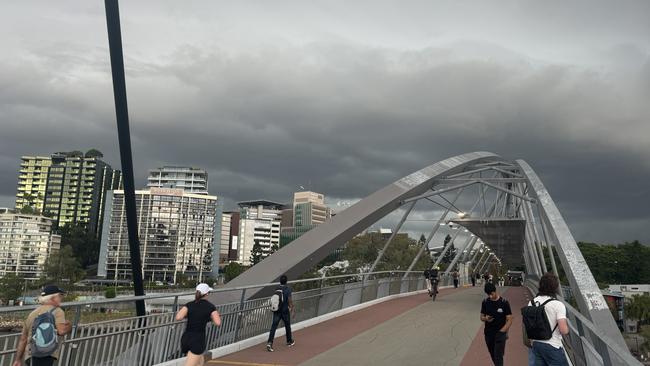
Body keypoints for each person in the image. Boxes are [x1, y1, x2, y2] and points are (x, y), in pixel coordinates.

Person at [13, 285, 72, 366]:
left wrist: (18, 359)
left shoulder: (32, 314)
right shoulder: (58, 311)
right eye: (60, 295)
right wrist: (69, 326)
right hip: (46, 355)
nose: (62, 298)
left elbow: (23, 339)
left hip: (31, 355)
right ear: (53, 298)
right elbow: (61, 331)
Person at [176, 283, 222, 366]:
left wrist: (190, 315)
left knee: (200, 361)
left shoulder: (189, 304)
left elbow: (178, 317)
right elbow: (218, 323)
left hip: (186, 338)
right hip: (198, 340)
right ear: (207, 294)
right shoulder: (210, 307)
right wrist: (208, 318)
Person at [529, 273, 570, 366]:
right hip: (553, 346)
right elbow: (563, 330)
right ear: (555, 287)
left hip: (536, 344)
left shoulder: (532, 302)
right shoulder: (557, 304)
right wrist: (568, 329)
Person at [480, 282, 513, 366]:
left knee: (498, 356)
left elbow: (509, 319)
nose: (490, 296)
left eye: (491, 294)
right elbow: (481, 317)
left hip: (500, 334)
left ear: (495, 291)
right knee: (493, 354)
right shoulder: (485, 302)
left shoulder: (504, 302)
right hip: (488, 334)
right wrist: (486, 318)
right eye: (488, 295)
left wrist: (503, 332)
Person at [267, 275, 295, 352]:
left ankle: (270, 342)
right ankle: (289, 341)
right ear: (286, 281)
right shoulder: (288, 289)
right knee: (287, 326)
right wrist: (292, 309)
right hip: (285, 311)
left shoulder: (277, 288)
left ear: (280, 281)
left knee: (273, 327)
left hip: (277, 310)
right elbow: (289, 300)